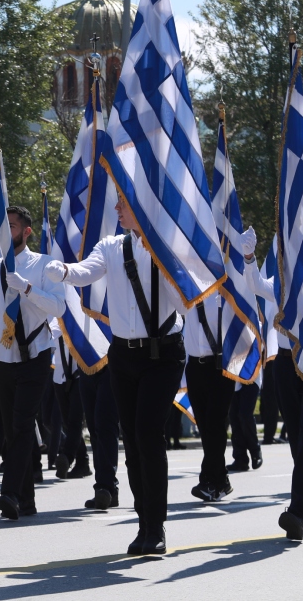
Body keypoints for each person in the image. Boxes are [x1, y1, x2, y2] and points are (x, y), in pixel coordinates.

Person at [44, 194, 190, 555]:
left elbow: (187, 298)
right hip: (123, 356)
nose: (116, 209)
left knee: (147, 434)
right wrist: (60, 270)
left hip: (163, 354)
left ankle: (155, 527)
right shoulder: (110, 246)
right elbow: (84, 272)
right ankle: (144, 523)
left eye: (124, 203)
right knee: (133, 441)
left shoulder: (167, 245)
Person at [0, 206, 65, 520]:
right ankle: (27, 499)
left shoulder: (45, 265)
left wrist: (26, 287)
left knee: (23, 423)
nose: (6, 232)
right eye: (3, 226)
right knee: (11, 429)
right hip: (3, 355)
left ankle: (8, 492)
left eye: (12, 226)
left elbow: (59, 307)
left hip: (36, 352)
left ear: (26, 231)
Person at [246, 235, 303, 539]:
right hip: (287, 362)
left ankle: (298, 511)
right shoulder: (283, 280)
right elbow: (259, 287)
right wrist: (249, 260)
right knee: (297, 440)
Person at [182, 289, 239, 502]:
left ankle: (208, 479)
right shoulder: (186, 290)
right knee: (205, 426)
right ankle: (220, 479)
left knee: (215, 424)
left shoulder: (224, 293)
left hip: (221, 367)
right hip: (195, 366)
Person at [50, 320, 91, 479]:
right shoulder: (52, 319)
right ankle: (83, 463)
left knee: (75, 421)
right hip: (60, 377)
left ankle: (67, 456)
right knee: (67, 423)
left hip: (80, 374)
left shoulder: (79, 318)